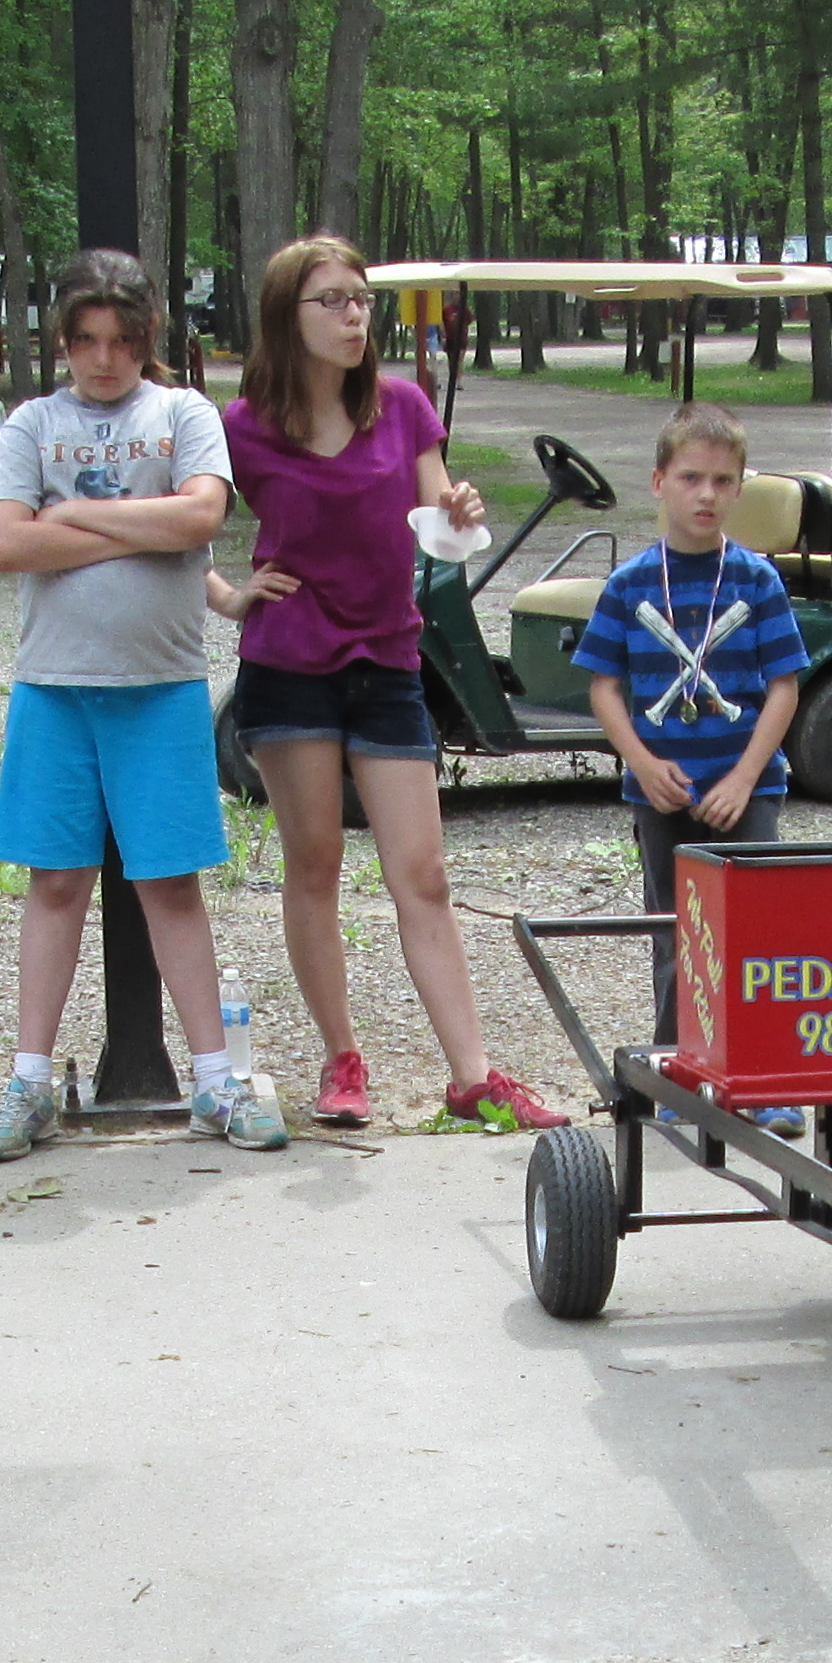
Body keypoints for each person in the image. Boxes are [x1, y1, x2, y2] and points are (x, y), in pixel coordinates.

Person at [212, 231, 573, 1135]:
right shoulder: (242, 425)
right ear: (286, 317)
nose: (353, 316)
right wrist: (228, 596)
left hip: (387, 661)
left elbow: (440, 517)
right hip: (289, 665)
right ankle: (342, 1060)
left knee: (424, 873)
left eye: (361, 300)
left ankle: (472, 1077)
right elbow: (183, 525)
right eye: (332, 300)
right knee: (315, 865)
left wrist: (460, 509)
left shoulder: (403, 407)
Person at [0, 246, 282, 1159]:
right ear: (63, 342)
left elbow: (200, 517)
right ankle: (29, 1081)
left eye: (121, 340)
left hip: (160, 690)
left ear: (147, 339)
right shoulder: (31, 424)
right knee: (56, 881)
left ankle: (215, 1081)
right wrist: (141, 530)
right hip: (56, 690)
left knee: (169, 882)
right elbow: (9, 545)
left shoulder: (182, 414)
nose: (103, 359)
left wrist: (69, 516)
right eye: (86, 341)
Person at [574, 402, 807, 1074]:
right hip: (663, 793)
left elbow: (784, 686)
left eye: (722, 481)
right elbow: (604, 688)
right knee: (677, 937)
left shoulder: (757, 581)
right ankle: (680, 1072)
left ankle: (762, 1078)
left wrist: (743, 779)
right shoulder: (630, 585)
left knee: (756, 936)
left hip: (745, 789)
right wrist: (643, 765)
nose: (706, 494)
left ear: (738, 489)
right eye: (691, 478)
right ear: (659, 483)